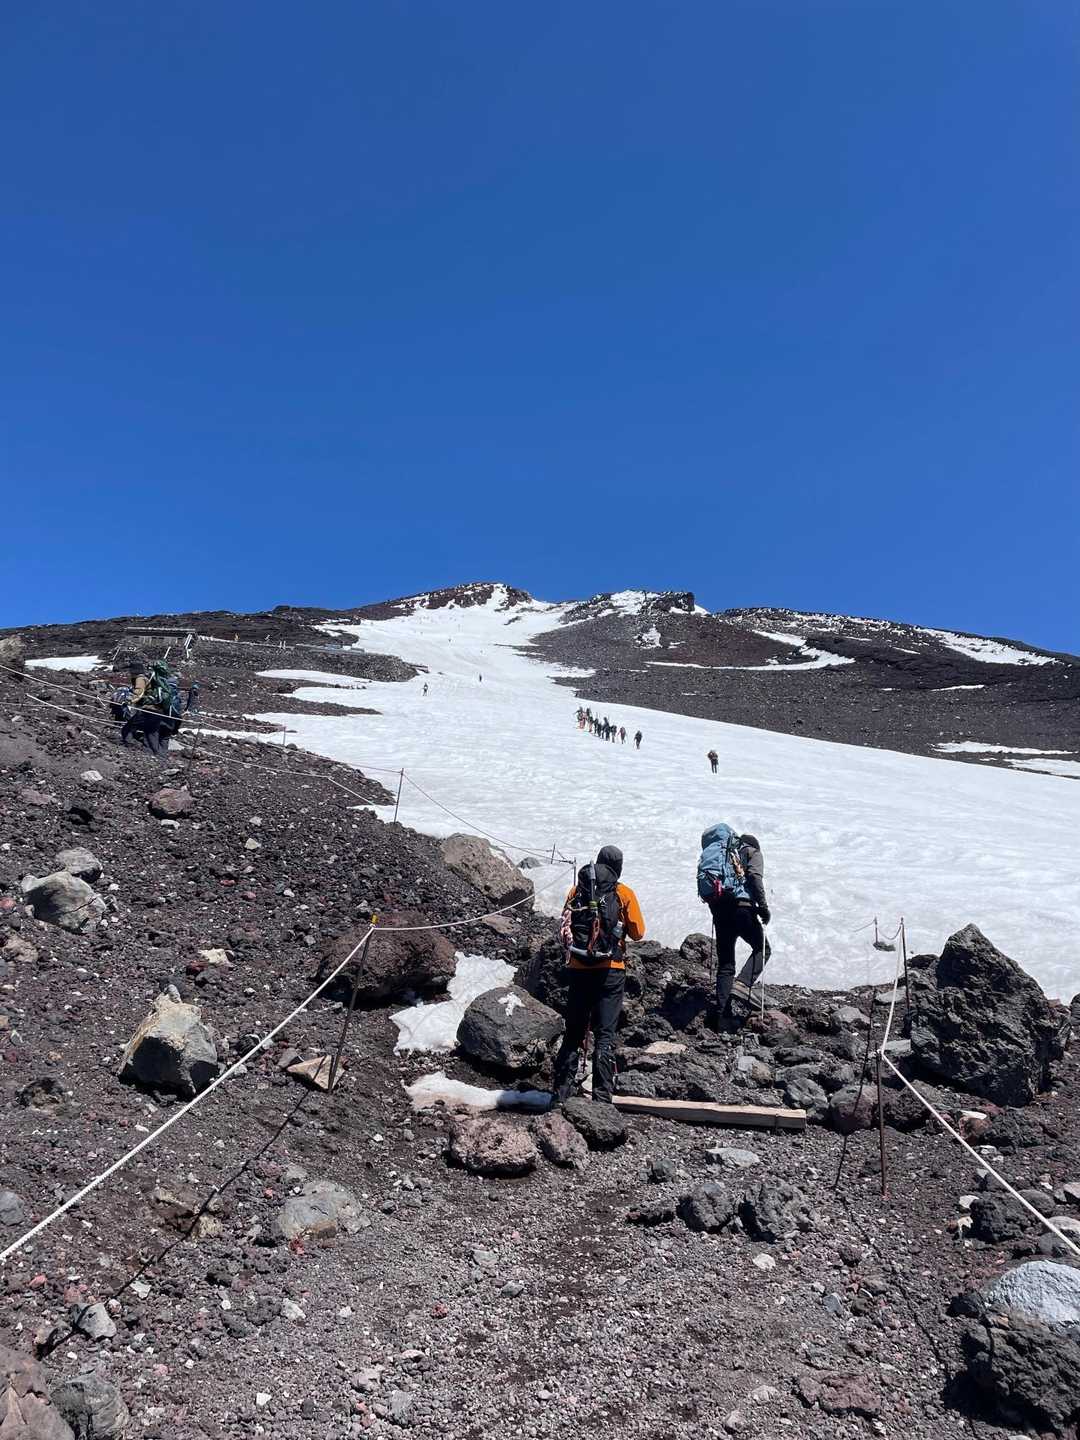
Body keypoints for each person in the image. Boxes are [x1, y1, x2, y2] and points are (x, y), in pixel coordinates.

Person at [551, 846, 646, 1105]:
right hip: (611, 970)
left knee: (573, 1033)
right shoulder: (623, 893)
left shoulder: (577, 890)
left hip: (579, 968)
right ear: (619, 867)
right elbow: (638, 932)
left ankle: (560, 1096)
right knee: (605, 1035)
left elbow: (566, 924)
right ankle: (602, 1100)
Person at [696, 824, 771, 1028]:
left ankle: (723, 1018)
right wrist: (763, 908)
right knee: (762, 948)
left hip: (721, 912)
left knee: (726, 964)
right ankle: (743, 984)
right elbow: (754, 878)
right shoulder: (752, 852)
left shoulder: (720, 854)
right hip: (742, 908)